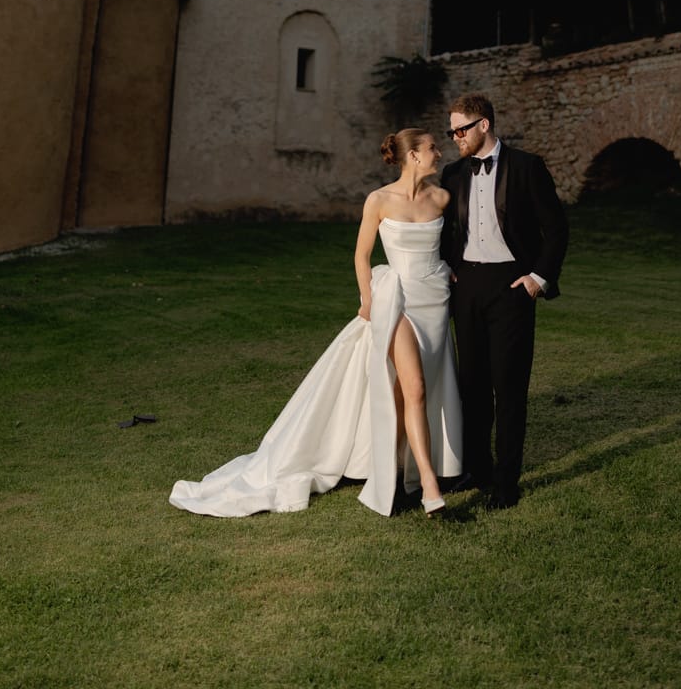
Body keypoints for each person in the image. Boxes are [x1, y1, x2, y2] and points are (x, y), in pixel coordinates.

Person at [169, 128, 462, 519]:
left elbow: (454, 244)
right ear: (413, 156)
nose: (439, 153)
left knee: (403, 394)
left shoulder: (441, 198)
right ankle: (429, 489)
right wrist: (368, 300)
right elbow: (361, 256)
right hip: (398, 301)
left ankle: (391, 473)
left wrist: (451, 268)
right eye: (432, 148)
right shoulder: (378, 200)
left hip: (435, 301)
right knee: (416, 388)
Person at [441, 92, 568, 510]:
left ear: (484, 125)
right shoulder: (452, 174)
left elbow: (556, 229)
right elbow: (443, 230)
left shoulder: (528, 167)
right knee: (471, 385)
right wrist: (448, 266)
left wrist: (537, 279)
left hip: (512, 285)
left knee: (509, 387)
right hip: (467, 285)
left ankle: (506, 483)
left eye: (461, 130)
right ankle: (477, 470)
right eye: (452, 131)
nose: (455, 137)